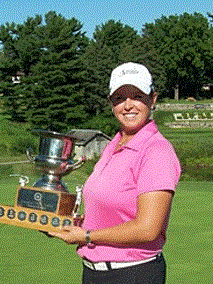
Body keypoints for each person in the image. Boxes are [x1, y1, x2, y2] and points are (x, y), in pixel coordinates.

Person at [48, 62, 181, 284]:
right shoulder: (114, 144)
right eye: (120, 98)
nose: (128, 105)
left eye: (137, 96)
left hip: (132, 273)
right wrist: (80, 224)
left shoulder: (156, 150)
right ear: (111, 103)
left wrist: (87, 236)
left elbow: (148, 229)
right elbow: (110, 208)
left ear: (153, 99)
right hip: (95, 272)